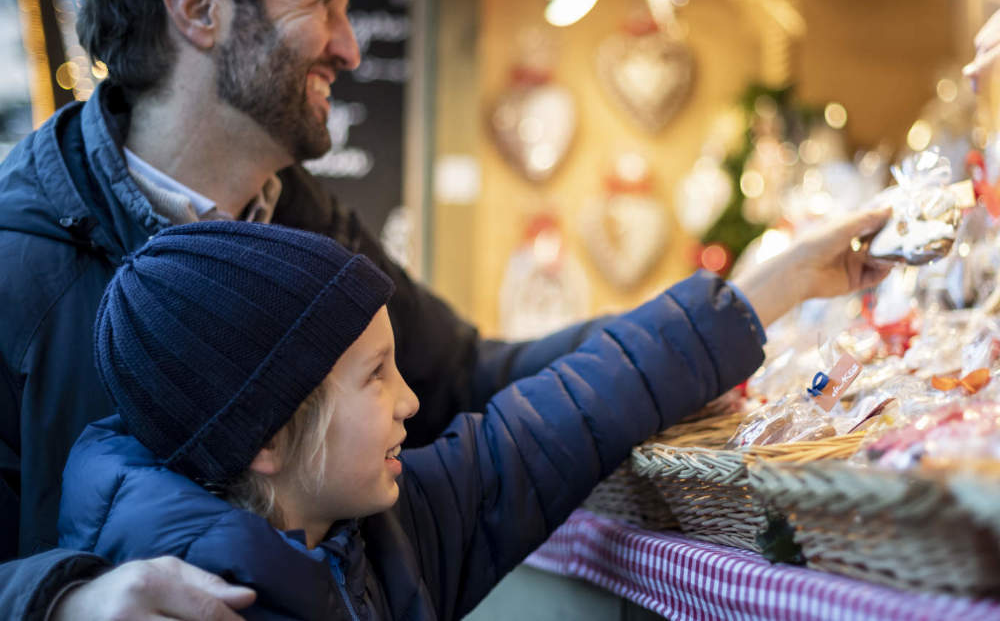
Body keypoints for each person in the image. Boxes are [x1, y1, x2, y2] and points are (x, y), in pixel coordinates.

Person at [0, 0, 890, 621]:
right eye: (324, 3)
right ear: (198, 7)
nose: (349, 48)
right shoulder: (16, 253)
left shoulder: (310, 226)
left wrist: (750, 299)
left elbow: (470, 382)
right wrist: (59, 598)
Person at [54, 218, 889, 620]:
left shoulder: (370, 528)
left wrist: (774, 288)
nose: (411, 401)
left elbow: (553, 422)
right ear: (267, 436)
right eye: (377, 376)